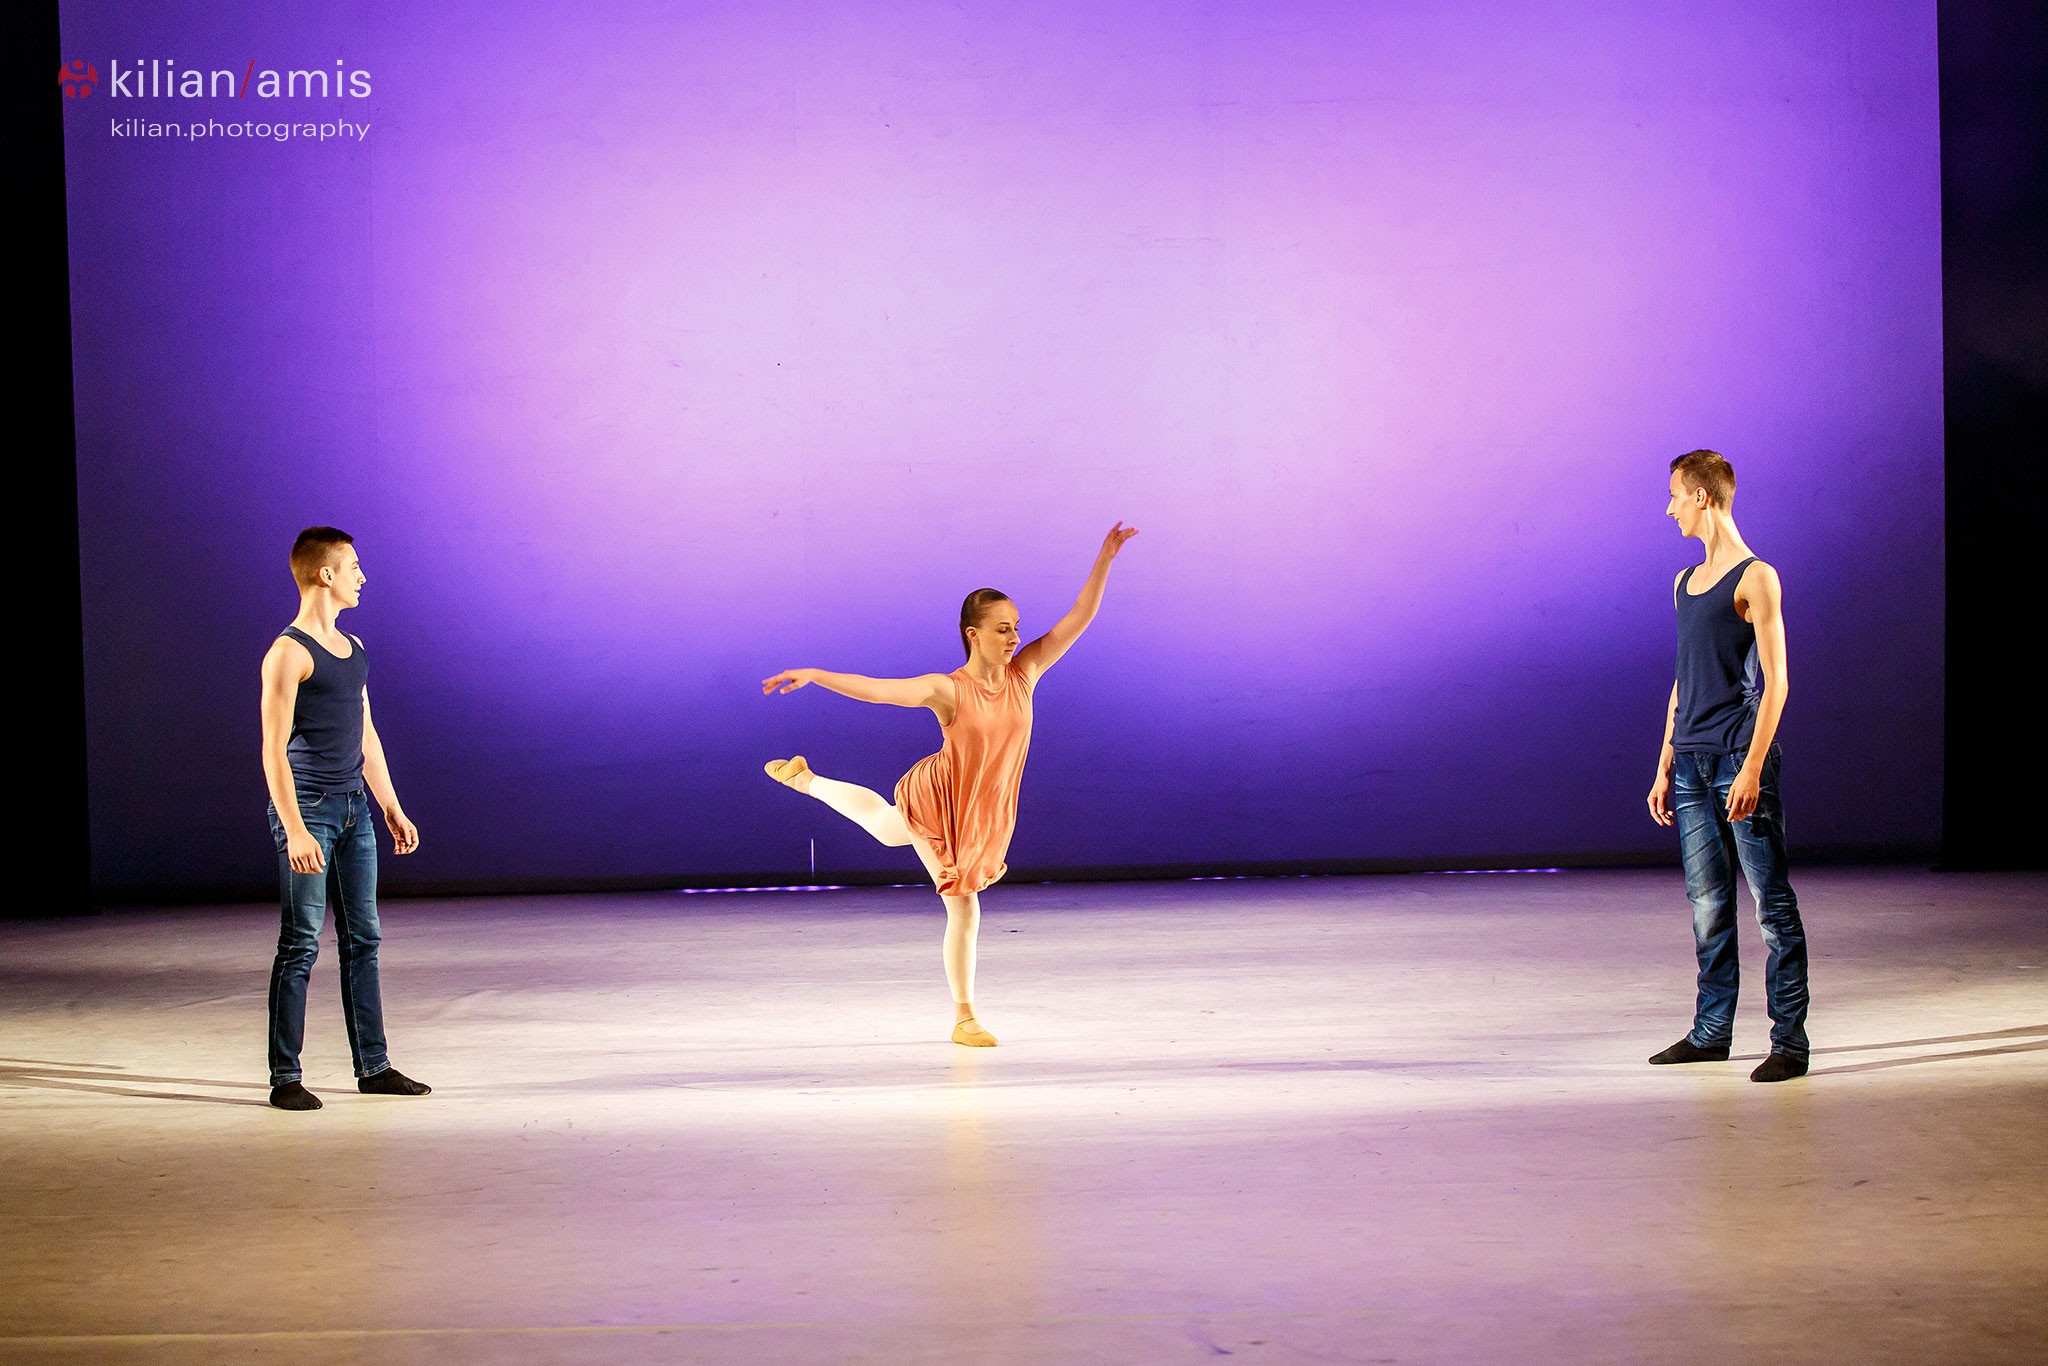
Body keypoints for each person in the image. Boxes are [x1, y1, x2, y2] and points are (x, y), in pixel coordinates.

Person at [761, 522, 1140, 1046]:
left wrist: (1107, 556)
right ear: (973, 634)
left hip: (982, 808)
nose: (1015, 637)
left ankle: (805, 779)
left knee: (886, 828)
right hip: (943, 797)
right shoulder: (948, 690)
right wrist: (817, 674)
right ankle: (965, 1019)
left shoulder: (1025, 673)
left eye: (1016, 627)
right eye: (1003, 629)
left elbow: (1079, 616)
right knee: (962, 903)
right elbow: (879, 691)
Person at [1646, 452, 1810, 1082]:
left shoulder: (1756, 577)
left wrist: (1752, 768)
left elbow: (1777, 684)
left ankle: (1789, 1043)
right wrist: (1664, 763)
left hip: (1738, 760)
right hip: (1690, 764)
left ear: (1703, 497)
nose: (1670, 509)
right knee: (1708, 905)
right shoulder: (1683, 583)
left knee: (1771, 903)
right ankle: (1711, 1033)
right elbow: (1682, 683)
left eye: (1675, 496)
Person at [258, 527, 431, 1110]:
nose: (362, 576)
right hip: (308, 810)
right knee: (301, 942)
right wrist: (295, 828)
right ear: (324, 574)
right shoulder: (289, 653)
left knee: (364, 938)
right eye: (353, 566)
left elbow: (366, 735)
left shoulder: (353, 648)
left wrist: (390, 805)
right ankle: (285, 1076)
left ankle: (373, 1067)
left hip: (355, 809)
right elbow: (272, 750)